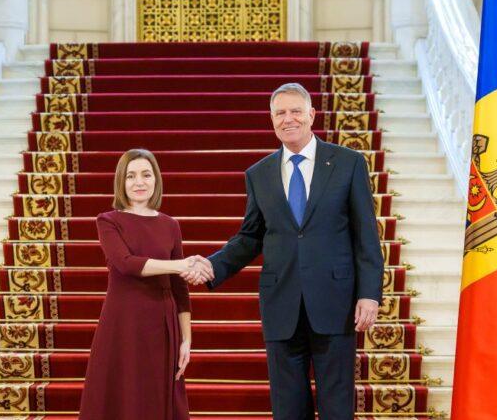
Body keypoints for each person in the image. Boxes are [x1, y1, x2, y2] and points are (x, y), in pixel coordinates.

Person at [186, 83, 384, 419]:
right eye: (280, 113)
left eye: (295, 111)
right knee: (288, 409)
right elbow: (250, 237)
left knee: (337, 406)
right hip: (281, 305)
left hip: (335, 302)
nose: (288, 119)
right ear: (272, 120)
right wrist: (212, 265)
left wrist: (369, 294)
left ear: (312, 115)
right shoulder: (259, 174)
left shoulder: (348, 163)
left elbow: (366, 234)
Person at [78, 149, 211, 420]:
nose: (139, 182)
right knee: (122, 396)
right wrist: (180, 265)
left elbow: (180, 290)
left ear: (156, 179)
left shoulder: (170, 225)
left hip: (162, 324)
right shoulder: (108, 220)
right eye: (131, 176)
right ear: (121, 181)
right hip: (123, 323)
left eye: (146, 175)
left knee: (156, 397)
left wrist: (186, 340)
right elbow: (125, 263)